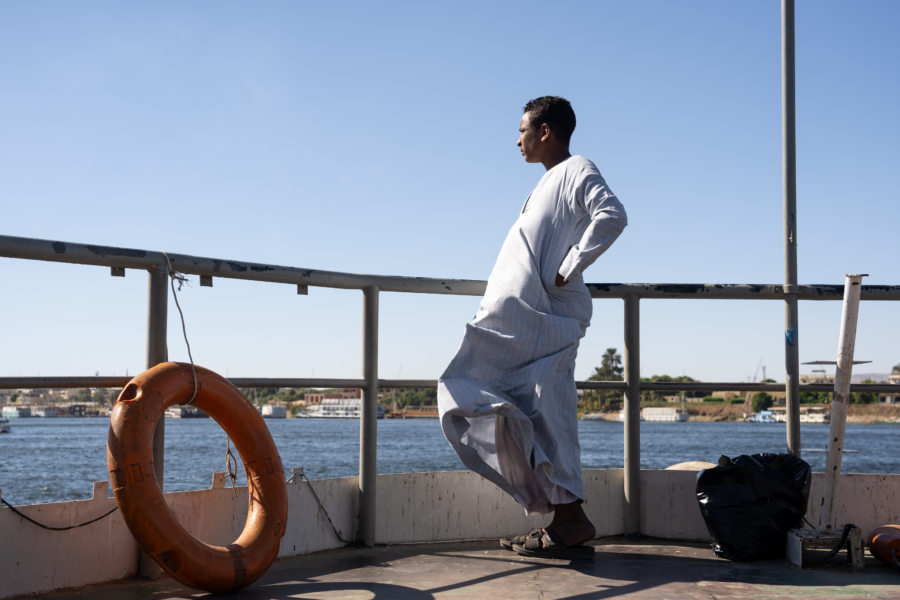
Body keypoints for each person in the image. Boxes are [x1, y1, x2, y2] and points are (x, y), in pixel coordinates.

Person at [437, 96, 627, 559]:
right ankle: (565, 518)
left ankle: (569, 522)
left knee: (550, 413)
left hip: (549, 319)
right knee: (482, 397)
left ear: (546, 131)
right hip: (520, 321)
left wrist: (569, 266)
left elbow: (612, 215)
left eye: (522, 129)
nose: (516, 139)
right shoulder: (544, 183)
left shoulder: (577, 167)